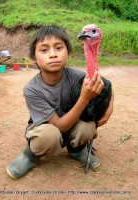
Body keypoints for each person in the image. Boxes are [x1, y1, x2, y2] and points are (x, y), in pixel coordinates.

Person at [7, 25, 114, 179]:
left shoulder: (77, 75)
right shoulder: (32, 89)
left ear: (68, 53)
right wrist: (84, 98)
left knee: (88, 127)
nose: (52, 55)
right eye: (44, 50)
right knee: (47, 135)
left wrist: (110, 108)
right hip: (47, 128)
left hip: (72, 126)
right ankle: (30, 156)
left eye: (58, 48)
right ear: (34, 58)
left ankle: (77, 149)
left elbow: (106, 86)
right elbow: (59, 125)